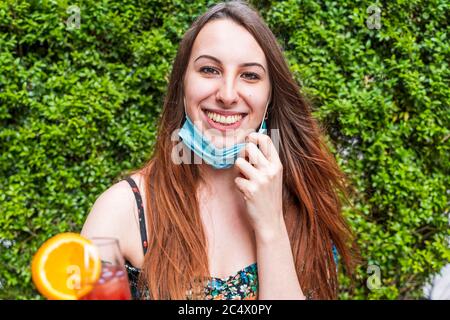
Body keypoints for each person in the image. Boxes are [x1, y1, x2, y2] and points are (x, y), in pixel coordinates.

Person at [81, 1, 358, 300]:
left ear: (269, 97)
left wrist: (271, 226)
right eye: (209, 70)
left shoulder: (306, 204)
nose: (227, 95)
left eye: (249, 75)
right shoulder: (122, 210)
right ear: (182, 84)